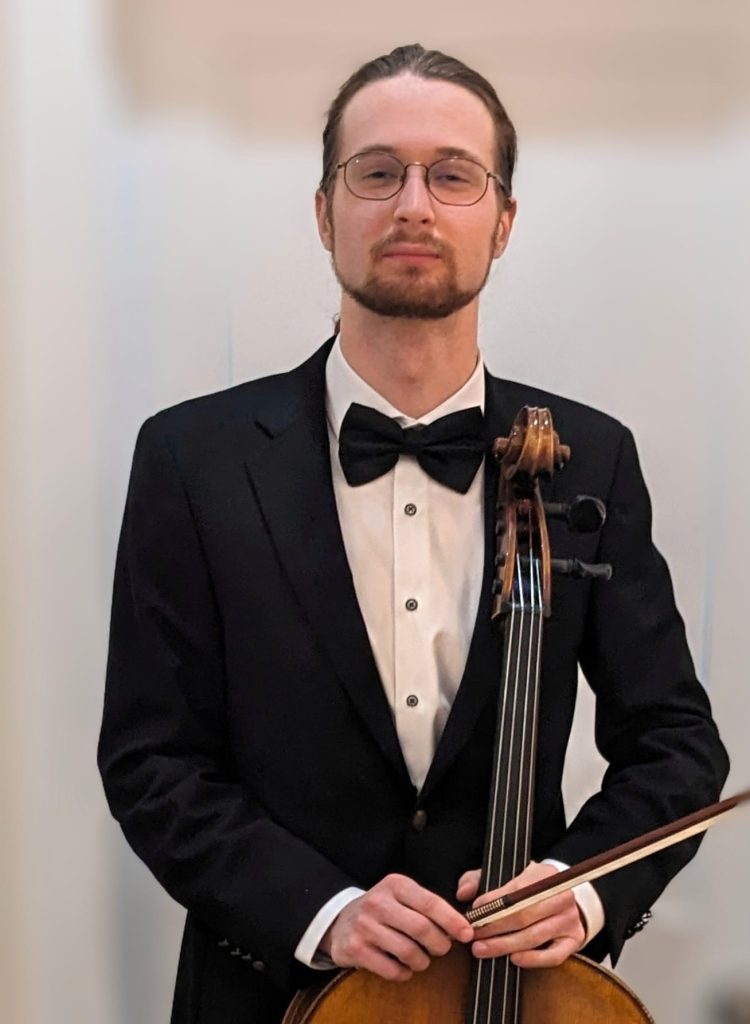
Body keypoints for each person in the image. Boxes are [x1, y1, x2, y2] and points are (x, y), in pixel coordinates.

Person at [98, 43, 729, 1024]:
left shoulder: (583, 456)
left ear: (503, 219)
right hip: (268, 997)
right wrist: (321, 910)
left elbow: (675, 743)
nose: (414, 205)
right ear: (324, 210)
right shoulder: (193, 458)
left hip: (515, 997)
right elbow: (153, 760)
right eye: (377, 171)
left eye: (453, 174)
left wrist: (583, 882)